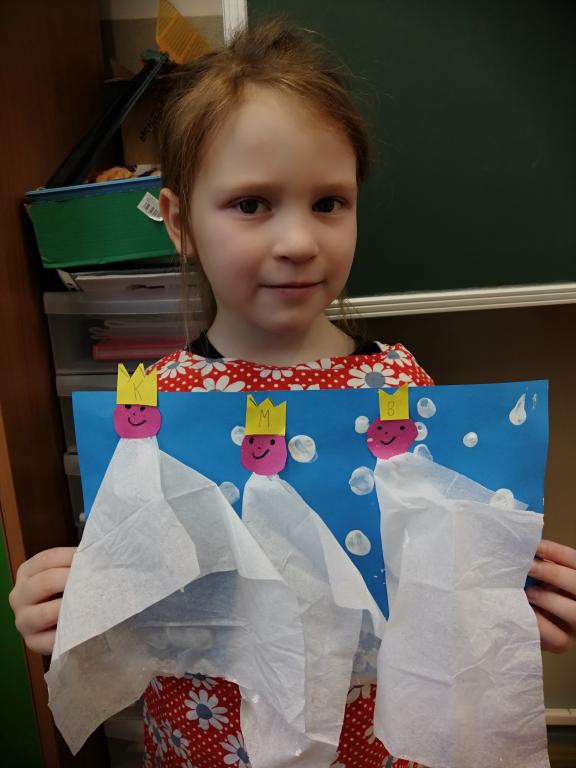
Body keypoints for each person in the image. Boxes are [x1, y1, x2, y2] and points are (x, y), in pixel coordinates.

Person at [9, 18, 576, 768]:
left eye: (329, 203)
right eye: (251, 204)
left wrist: (513, 602)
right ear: (179, 222)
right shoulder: (154, 407)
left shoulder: (398, 389)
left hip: (372, 743)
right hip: (208, 742)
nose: (301, 242)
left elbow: (441, 580)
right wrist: (64, 608)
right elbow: (134, 588)